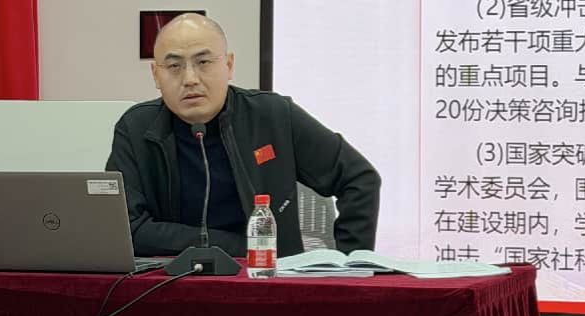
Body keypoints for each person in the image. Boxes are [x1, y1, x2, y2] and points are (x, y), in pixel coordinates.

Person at [107, 13, 380, 259]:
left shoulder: (273, 116)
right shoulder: (135, 129)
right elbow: (125, 228)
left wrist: (351, 264)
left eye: (203, 62)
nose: (190, 79)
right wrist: (237, 245)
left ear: (228, 65)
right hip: (170, 282)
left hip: (265, 280)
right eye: (174, 66)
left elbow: (359, 178)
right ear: (156, 75)